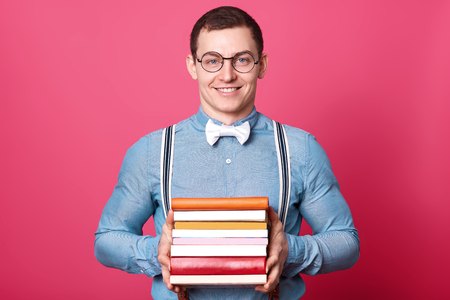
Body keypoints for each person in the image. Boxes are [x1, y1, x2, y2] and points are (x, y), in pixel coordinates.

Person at [95, 6, 359, 300]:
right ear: (192, 66)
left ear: (262, 65)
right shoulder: (151, 151)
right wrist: (156, 251)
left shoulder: (301, 149)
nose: (227, 74)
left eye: (242, 60)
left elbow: (346, 243)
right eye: (212, 61)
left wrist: (291, 251)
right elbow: (106, 240)